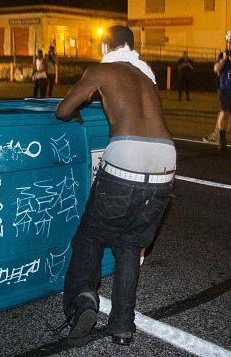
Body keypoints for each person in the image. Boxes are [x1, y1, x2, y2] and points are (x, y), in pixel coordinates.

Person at [55, 25, 173, 347]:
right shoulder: (147, 77)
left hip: (126, 160)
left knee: (91, 235)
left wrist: (77, 113)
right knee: (130, 245)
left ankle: (83, 304)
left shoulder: (103, 69)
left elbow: (63, 109)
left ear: (106, 45)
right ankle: (122, 327)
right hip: (166, 162)